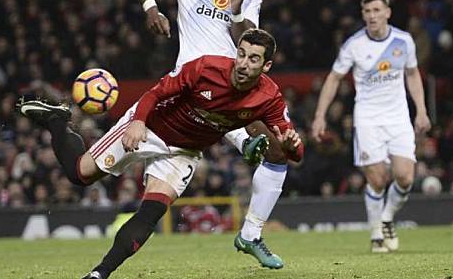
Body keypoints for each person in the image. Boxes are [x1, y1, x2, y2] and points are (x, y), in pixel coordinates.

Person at [17, 29, 303, 279]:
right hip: (150, 126)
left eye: (253, 59)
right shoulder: (205, 68)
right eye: (241, 54)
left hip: (185, 152)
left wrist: (291, 145)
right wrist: (139, 122)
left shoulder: (269, 97)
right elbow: (155, 93)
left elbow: (296, 153)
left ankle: (99, 273)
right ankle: (57, 121)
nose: (243, 63)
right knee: (80, 174)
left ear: (266, 65)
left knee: (152, 210)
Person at [131, 0, 293, 268]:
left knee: (280, 150)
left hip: (235, 83)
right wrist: (151, 8)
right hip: (192, 82)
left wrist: (234, 10)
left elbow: (247, 39)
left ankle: (250, 234)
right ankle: (240, 139)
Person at [311, 0, 431, 253]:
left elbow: (412, 74)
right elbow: (333, 78)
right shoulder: (354, 45)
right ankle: (376, 232)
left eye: (377, 10)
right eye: (367, 12)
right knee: (377, 180)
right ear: (363, 15)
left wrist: (421, 110)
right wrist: (320, 115)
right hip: (367, 118)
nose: (372, 16)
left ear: (387, 12)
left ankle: (386, 218)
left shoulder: (404, 41)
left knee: (405, 177)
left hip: (398, 117)